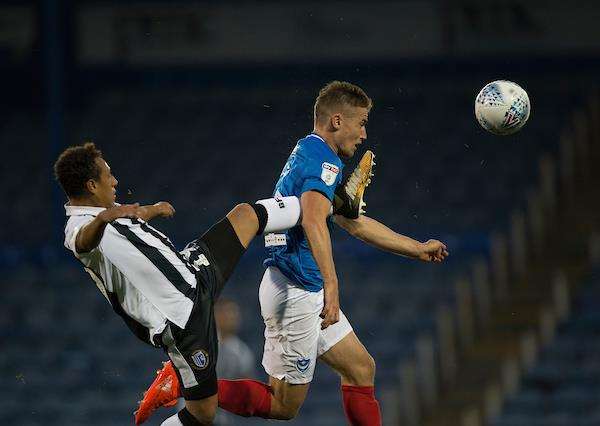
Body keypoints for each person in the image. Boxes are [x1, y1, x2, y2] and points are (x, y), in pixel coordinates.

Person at [138, 81, 449, 425]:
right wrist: (332, 286)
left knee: (361, 368)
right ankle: (182, 384)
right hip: (297, 292)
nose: (364, 134)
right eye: (360, 123)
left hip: (300, 286)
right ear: (336, 121)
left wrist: (417, 249)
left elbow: (353, 223)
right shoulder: (324, 163)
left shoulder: (312, 152)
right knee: (282, 406)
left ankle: (183, 384)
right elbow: (314, 218)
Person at [54, 142, 314, 425]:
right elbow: (84, 241)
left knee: (245, 215)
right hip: (180, 319)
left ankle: (321, 205)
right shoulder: (78, 228)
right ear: (92, 185)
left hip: (192, 270)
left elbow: (130, 216)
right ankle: (174, 384)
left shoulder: (105, 206)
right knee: (203, 414)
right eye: (108, 175)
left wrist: (153, 209)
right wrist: (104, 218)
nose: (115, 181)